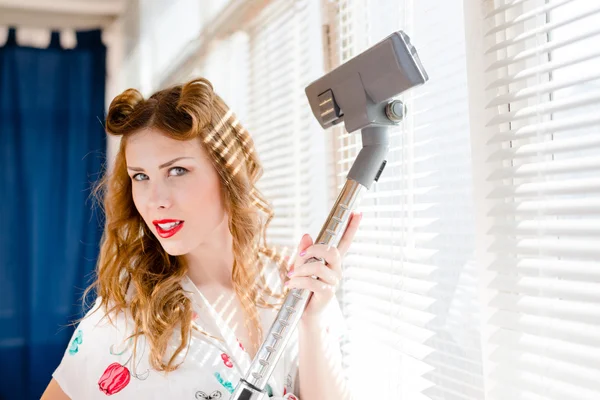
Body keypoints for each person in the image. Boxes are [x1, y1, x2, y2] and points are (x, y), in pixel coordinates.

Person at [41, 77, 361, 400]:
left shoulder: (286, 283)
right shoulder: (127, 311)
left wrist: (311, 319)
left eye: (177, 171)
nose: (155, 200)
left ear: (227, 172)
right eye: (141, 176)